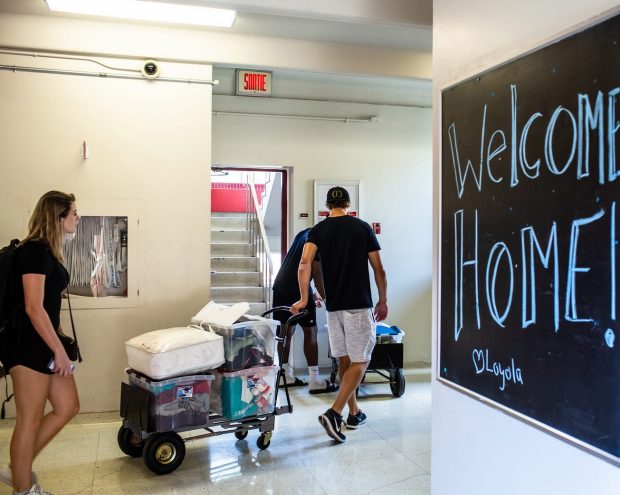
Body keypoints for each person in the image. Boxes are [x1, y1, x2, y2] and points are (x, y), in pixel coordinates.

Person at [292, 186, 387, 443]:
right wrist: (383, 300)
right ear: (348, 203)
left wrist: (303, 298)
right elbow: (378, 268)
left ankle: (354, 413)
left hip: (334, 307)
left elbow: (304, 264)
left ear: (327, 205)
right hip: (358, 304)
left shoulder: (317, 231)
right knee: (362, 360)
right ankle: (334, 413)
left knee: (345, 360)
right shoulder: (362, 227)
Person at [0, 191, 80, 495]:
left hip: (43, 344)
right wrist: (59, 351)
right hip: (26, 346)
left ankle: (18, 467)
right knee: (30, 419)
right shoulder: (35, 251)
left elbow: (46, 305)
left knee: (68, 406)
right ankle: (23, 489)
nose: (77, 218)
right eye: (73, 213)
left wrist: (59, 340)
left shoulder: (47, 252)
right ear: (57, 217)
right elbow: (33, 307)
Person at [272, 228, 338, 394]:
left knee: (285, 330)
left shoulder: (304, 233)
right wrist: (325, 298)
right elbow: (316, 272)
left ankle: (285, 376)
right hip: (296, 288)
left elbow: (299, 265)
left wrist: (312, 293)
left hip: (280, 284)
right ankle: (315, 380)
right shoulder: (320, 237)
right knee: (311, 331)